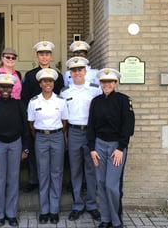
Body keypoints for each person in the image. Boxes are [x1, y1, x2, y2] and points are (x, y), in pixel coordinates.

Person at [87, 68, 135, 228]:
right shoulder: (96, 101)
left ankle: (116, 220)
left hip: (116, 147)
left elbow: (128, 126)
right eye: (103, 82)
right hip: (99, 146)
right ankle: (105, 219)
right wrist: (92, 148)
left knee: (111, 185)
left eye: (110, 82)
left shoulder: (124, 100)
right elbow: (91, 127)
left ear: (115, 83)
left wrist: (121, 147)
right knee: (100, 183)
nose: (106, 84)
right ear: (100, 83)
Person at [0, 74, 31, 227]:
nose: (5, 89)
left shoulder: (19, 105)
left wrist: (26, 149)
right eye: (2, 86)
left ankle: (11, 214)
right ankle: (0, 215)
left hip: (16, 144)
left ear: (12, 88)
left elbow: (25, 129)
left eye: (8, 87)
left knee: (13, 179)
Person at [60, 57, 102, 222]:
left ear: (85, 71)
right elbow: (62, 116)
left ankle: (91, 205)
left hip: (90, 133)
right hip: (73, 132)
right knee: (76, 170)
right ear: (70, 73)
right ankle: (77, 205)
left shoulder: (95, 89)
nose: (77, 73)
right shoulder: (65, 92)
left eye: (80, 70)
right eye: (74, 70)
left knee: (91, 170)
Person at [21, 41, 64, 193]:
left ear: (51, 56)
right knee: (34, 150)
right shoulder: (30, 75)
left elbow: (60, 98)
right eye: (41, 54)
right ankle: (34, 180)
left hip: (53, 120)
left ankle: (53, 183)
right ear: (37, 56)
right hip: (35, 118)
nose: (44, 57)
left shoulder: (58, 75)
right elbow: (25, 98)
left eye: (47, 54)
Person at [27, 68, 68, 225]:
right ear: (40, 83)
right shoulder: (33, 101)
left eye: (50, 81)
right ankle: (44, 210)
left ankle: (54, 210)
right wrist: (41, 135)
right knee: (43, 173)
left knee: (56, 173)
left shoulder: (60, 101)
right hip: (41, 138)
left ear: (53, 83)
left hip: (57, 137)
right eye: (45, 81)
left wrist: (57, 134)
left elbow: (65, 122)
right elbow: (31, 123)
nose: (48, 83)